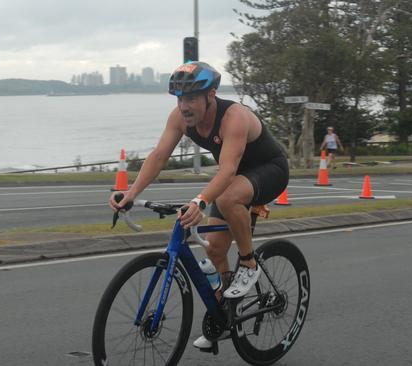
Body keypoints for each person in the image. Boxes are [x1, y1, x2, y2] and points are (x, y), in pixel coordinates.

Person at [108, 61, 289, 349]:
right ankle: (225, 313)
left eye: (191, 98)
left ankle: (249, 262)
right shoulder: (180, 117)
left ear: (211, 94)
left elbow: (228, 171)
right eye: (180, 98)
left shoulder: (234, 118)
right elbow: (158, 156)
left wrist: (200, 201)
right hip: (235, 178)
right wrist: (130, 193)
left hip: (269, 169)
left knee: (227, 197)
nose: (184, 106)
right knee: (215, 249)